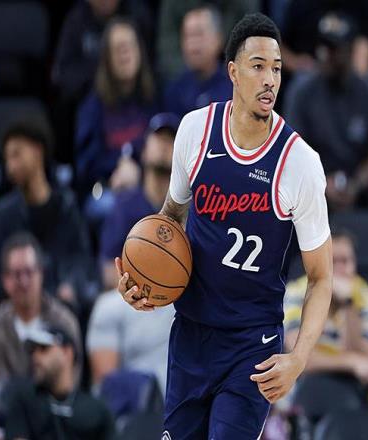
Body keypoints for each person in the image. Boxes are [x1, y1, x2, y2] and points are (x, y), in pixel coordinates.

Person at [117, 13, 333, 439]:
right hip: (191, 334)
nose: (270, 79)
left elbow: (321, 276)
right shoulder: (195, 131)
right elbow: (170, 219)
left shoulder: (300, 163)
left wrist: (298, 358)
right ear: (233, 72)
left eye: (277, 69)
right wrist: (141, 281)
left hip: (252, 344)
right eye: (258, 66)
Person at [285, 12, 368, 211]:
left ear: (350, 51)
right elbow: (292, 151)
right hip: (313, 179)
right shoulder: (302, 92)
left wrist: (355, 185)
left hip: (357, 182)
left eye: (333, 49)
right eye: (322, 47)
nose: (325, 54)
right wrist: (323, 183)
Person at [0, 116, 91, 304]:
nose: (10, 167)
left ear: (37, 151)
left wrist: (71, 285)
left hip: (63, 308)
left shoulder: (66, 205)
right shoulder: (4, 213)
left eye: (16, 154)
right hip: (19, 308)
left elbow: (82, 260)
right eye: (7, 159)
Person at [0, 233, 82, 400]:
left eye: (29, 272)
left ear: (41, 273)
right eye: (16, 274)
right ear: (5, 280)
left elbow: (71, 381)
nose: (24, 281)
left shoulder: (64, 321)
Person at [75, 17, 157, 221]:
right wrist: (116, 167)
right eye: (118, 49)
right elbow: (85, 163)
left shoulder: (156, 96)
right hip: (109, 189)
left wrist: (139, 170)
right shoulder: (92, 106)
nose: (125, 53)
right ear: (107, 59)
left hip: (152, 185)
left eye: (129, 46)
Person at [285, 231, 368, 386]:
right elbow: (297, 357)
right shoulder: (295, 293)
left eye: (345, 261)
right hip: (300, 387)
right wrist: (350, 361)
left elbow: (365, 359)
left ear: (355, 263)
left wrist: (347, 303)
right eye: (332, 260)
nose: (339, 269)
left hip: (353, 388)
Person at [99, 113, 177, 290]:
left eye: (171, 140)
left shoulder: (188, 207)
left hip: (174, 295)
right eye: (158, 139)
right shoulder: (125, 204)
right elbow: (108, 270)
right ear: (144, 151)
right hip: (130, 295)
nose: (164, 145)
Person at [5, 325, 114, 440]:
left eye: (44, 349)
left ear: (67, 353)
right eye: (33, 351)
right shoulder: (24, 400)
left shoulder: (96, 410)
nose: (35, 357)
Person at [163, 6, 232, 118]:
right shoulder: (174, 90)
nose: (193, 45)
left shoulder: (234, 86)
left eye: (199, 35)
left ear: (218, 38)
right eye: (187, 36)